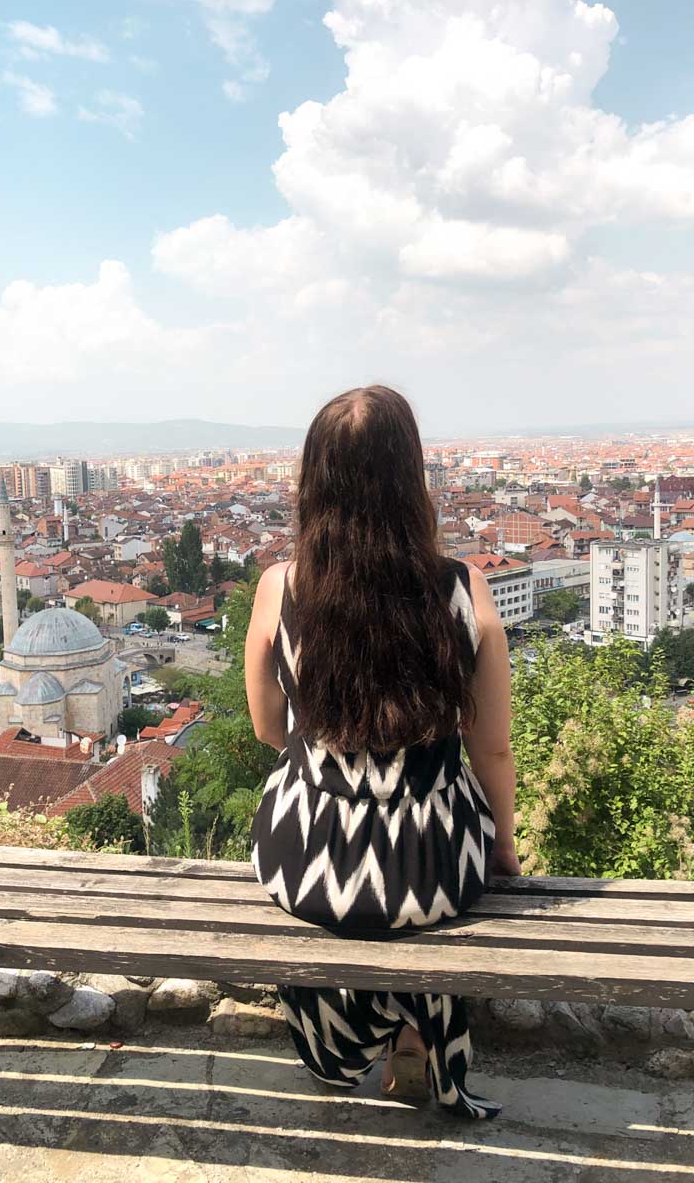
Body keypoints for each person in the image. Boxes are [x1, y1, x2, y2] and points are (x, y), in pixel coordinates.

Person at [244, 385, 519, 1119]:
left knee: (331, 910)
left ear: (315, 481)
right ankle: (412, 1034)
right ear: (411, 478)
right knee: (420, 914)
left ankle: (347, 1042)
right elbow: (490, 749)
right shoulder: (464, 591)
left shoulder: (282, 589)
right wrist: (504, 846)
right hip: (436, 862)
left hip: (309, 861)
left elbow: (270, 730)